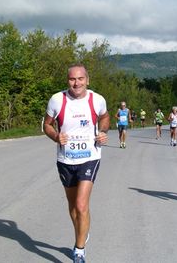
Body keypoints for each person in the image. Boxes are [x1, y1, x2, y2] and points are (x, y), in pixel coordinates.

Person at [43, 64, 110, 263]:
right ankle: (83, 231)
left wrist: (103, 131)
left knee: (81, 205)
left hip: (90, 157)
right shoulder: (57, 99)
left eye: (80, 78)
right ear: (67, 81)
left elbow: (104, 117)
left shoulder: (97, 99)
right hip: (65, 160)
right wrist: (56, 136)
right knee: (73, 207)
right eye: (72, 79)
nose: (76, 83)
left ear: (87, 80)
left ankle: (79, 250)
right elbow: (46, 124)